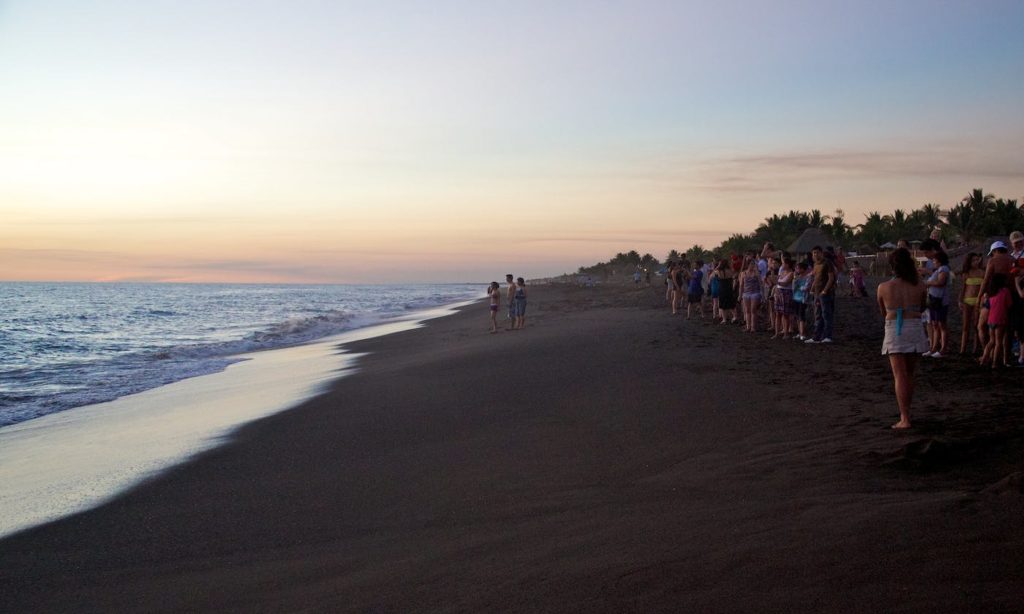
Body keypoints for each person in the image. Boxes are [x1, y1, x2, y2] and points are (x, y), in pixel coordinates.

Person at [877, 248, 929, 429]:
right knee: (909, 374)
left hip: (895, 327)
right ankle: (907, 413)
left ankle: (905, 417)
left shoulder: (884, 287)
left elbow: (883, 312)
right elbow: (923, 306)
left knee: (899, 375)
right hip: (914, 325)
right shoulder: (920, 284)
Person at [923, 250, 951, 357]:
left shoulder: (944, 269)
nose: (933, 261)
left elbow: (940, 282)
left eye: (934, 259)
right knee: (935, 324)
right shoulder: (938, 270)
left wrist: (927, 283)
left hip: (941, 300)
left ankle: (943, 349)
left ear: (939, 260)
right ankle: (933, 348)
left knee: (941, 324)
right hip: (934, 299)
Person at [980, 274, 1012, 368]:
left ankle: (984, 359)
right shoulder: (1005, 291)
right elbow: (1009, 304)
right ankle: (994, 362)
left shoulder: (991, 293)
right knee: (998, 342)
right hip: (1000, 319)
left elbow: (988, 305)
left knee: (991, 341)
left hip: (991, 319)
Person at [806, 246, 836, 344]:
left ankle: (827, 336)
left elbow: (831, 278)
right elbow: (816, 278)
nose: (815, 254)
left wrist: (825, 290)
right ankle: (816, 337)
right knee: (817, 315)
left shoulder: (827, 263)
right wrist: (812, 289)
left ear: (821, 253)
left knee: (826, 315)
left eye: (817, 252)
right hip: (817, 293)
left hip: (825, 293)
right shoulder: (816, 264)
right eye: (814, 253)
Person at [958, 253, 984, 354]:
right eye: (973, 260)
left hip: (978, 301)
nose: (976, 262)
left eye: (977, 260)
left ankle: (975, 349)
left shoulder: (982, 272)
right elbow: (963, 288)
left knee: (976, 326)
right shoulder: (966, 273)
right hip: (967, 301)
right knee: (965, 326)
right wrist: (959, 300)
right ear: (969, 262)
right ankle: (962, 349)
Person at [773, 257, 795, 339]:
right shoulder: (781, 272)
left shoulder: (791, 273)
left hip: (786, 293)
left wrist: (776, 281)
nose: (783, 265)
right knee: (778, 314)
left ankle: (785, 333)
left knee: (785, 314)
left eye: (784, 263)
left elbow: (785, 283)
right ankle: (776, 333)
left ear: (788, 264)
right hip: (779, 292)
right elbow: (777, 282)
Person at [792, 261, 814, 341]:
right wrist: (795, 280)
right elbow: (793, 287)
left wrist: (799, 287)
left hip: (803, 299)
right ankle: (799, 332)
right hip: (795, 298)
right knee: (797, 315)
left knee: (802, 316)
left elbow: (807, 287)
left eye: (798, 268)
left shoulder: (808, 277)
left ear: (803, 269)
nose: (796, 270)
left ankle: (802, 333)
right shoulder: (797, 277)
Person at [739, 259, 762, 332]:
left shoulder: (756, 273)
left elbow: (760, 284)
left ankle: (753, 327)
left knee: (753, 310)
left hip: (755, 293)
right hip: (746, 293)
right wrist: (740, 295)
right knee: (747, 310)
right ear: (748, 265)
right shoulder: (743, 273)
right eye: (751, 264)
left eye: (753, 264)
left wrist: (762, 294)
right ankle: (748, 326)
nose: (752, 265)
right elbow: (741, 285)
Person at [715, 259, 738, 324]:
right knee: (731, 304)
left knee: (723, 304)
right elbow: (735, 275)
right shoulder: (730, 270)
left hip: (722, 288)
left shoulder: (719, 271)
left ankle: (724, 319)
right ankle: (735, 317)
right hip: (729, 288)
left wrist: (718, 266)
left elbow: (713, 273)